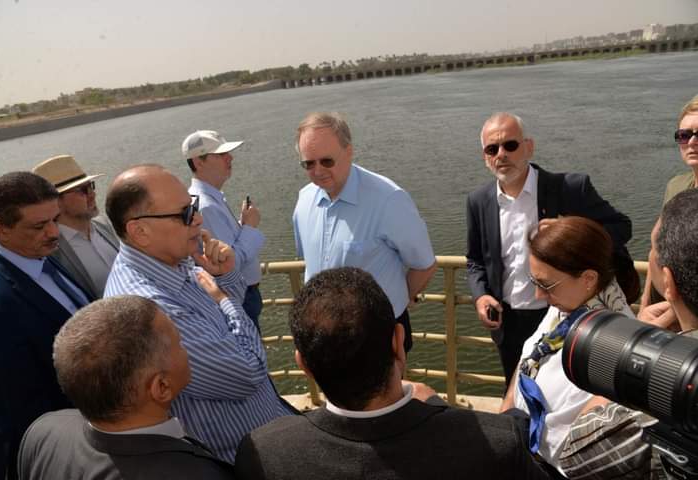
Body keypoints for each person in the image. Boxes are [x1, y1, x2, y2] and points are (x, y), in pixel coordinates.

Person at [235, 267, 550, 480]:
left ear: (303, 364)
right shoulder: (497, 443)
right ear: (399, 342)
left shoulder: (263, 453)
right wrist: (437, 406)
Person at [103, 164, 294, 463]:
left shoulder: (171, 260)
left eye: (192, 206)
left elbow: (223, 313)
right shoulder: (151, 311)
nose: (198, 219)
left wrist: (225, 276)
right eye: (185, 214)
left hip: (269, 426)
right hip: (248, 458)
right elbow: (248, 373)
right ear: (140, 231)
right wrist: (224, 300)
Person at [466, 112, 635, 386]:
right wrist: (481, 296)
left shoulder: (571, 188)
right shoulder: (478, 201)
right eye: (492, 149)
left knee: (571, 388)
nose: (501, 154)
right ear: (485, 156)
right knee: (518, 388)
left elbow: (622, 227)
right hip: (508, 321)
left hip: (566, 315)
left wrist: (569, 231)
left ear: (528, 147)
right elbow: (475, 260)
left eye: (510, 145)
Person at [559, 188, 698, 479]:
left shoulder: (671, 396)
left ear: (668, 282)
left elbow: (574, 456)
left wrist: (641, 351)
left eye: (653, 253)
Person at [18, 296, 235, 480]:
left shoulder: (44, 432)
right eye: (179, 343)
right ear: (161, 387)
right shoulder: (196, 474)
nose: (185, 348)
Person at [499, 216, 636, 474]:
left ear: (588, 278)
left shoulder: (614, 349)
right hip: (518, 445)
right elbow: (530, 357)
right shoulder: (568, 306)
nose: (539, 295)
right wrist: (504, 417)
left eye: (546, 285)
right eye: (535, 281)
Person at [292, 112, 437, 353]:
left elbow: (424, 265)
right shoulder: (304, 200)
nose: (317, 171)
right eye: (309, 163)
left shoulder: (388, 199)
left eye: (326, 161)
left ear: (349, 151)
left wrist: (396, 302)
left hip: (377, 335)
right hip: (324, 336)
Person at [0, 172, 91, 480]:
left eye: (55, 219)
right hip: (56, 456)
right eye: (39, 226)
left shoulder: (41, 256)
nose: (54, 232)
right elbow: (26, 404)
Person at [183, 131, 265, 327]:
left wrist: (242, 224)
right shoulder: (206, 206)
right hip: (240, 298)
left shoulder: (206, 199)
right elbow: (229, 263)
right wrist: (249, 227)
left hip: (240, 295)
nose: (230, 158)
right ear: (198, 162)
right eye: (221, 154)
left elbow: (225, 249)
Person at [33, 154, 120, 298]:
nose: (92, 194)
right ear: (56, 202)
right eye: (82, 190)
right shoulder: (50, 252)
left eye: (91, 186)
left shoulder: (104, 225)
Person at [641, 94, 698, 308]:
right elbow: (656, 252)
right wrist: (645, 305)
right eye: (684, 135)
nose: (691, 142)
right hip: (666, 305)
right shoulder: (676, 186)